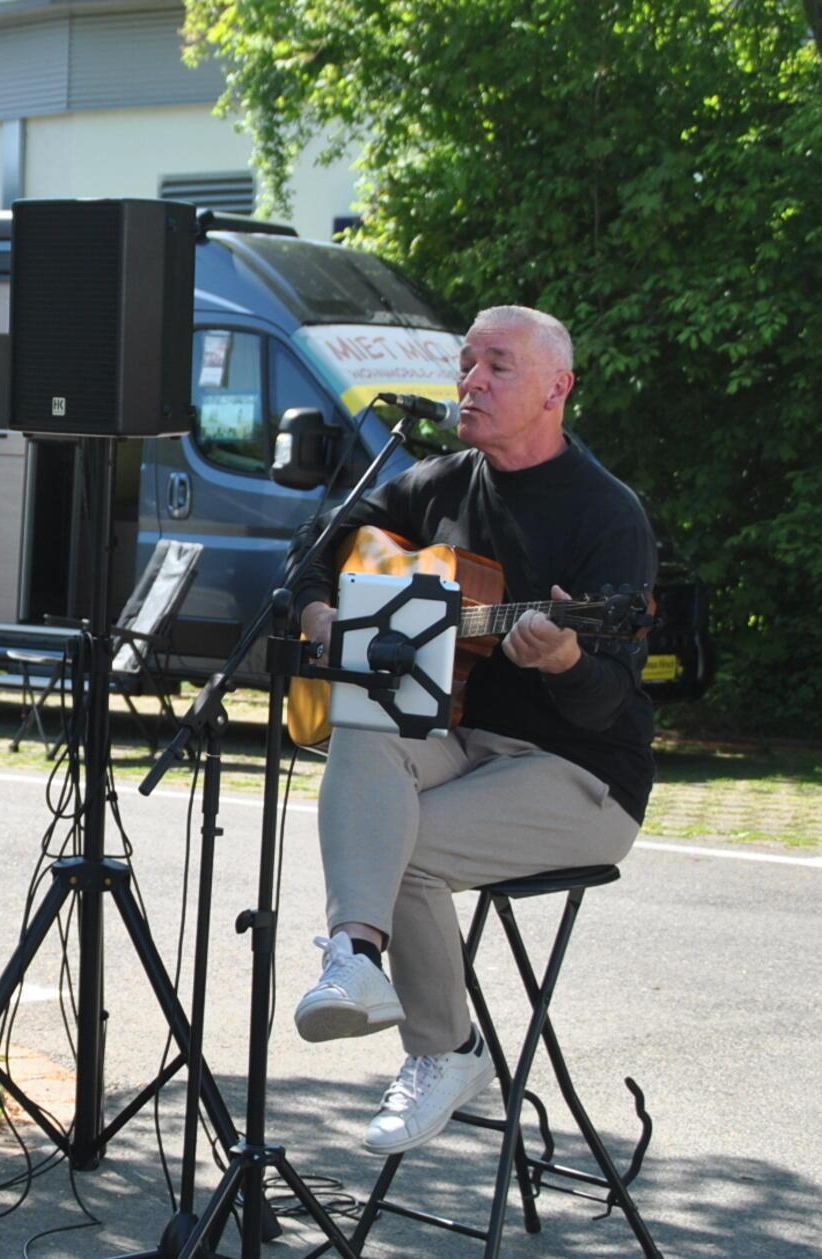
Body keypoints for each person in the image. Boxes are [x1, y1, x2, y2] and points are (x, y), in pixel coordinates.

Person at [288, 305, 656, 1156]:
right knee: (363, 721)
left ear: (557, 390)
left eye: (498, 366)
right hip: (465, 743)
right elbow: (319, 542)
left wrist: (564, 658)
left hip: (581, 770)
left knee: (402, 846)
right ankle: (356, 957)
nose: (472, 382)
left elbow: (608, 699)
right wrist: (317, 611)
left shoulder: (609, 515)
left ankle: (446, 1050)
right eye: (467, 365)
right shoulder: (442, 481)